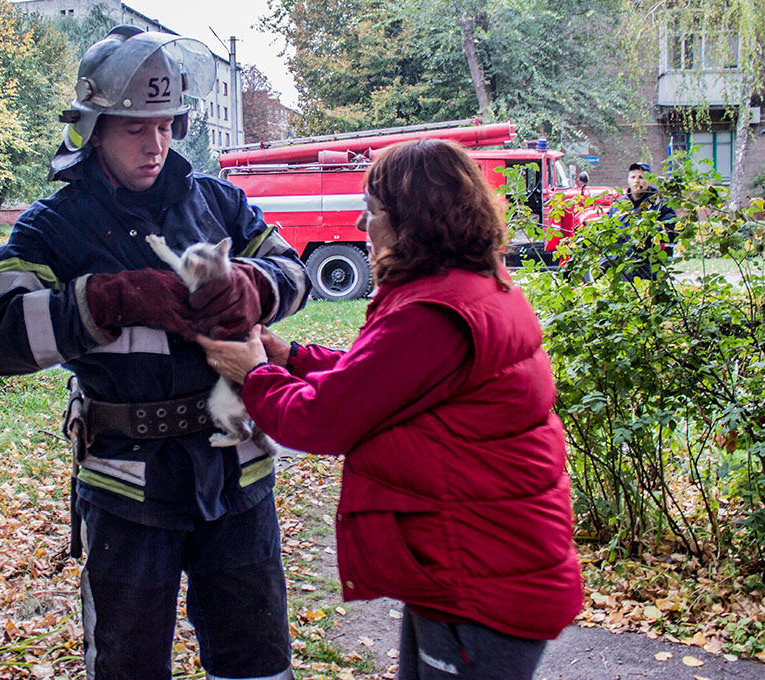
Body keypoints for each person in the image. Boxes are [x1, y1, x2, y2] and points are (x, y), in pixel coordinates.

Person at [0, 26, 310, 680]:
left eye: (164, 125)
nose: (155, 144)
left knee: (258, 665)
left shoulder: (219, 202)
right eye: (134, 128)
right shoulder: (51, 226)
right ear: (94, 130)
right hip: (125, 487)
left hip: (236, 478)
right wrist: (110, 299)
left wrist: (255, 284)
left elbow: (294, 272)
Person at [197, 139, 583, 680]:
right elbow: (382, 377)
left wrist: (257, 374)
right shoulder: (470, 288)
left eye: (373, 210)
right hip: (481, 559)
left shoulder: (433, 312)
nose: (361, 224)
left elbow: (323, 420)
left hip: (479, 576)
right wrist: (294, 358)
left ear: (414, 221)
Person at [603, 161, 677, 280]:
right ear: (628, 180)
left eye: (641, 177)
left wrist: (647, 231)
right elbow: (606, 230)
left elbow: (672, 232)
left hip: (649, 270)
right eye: (633, 177)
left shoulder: (660, 204)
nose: (636, 181)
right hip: (622, 271)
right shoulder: (618, 206)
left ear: (648, 180)